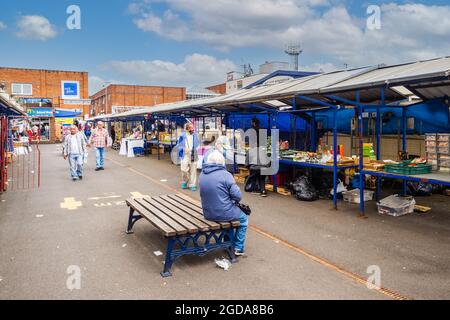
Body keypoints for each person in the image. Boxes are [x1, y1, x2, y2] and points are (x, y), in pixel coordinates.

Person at [199, 150, 248, 256]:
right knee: (244, 219)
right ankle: (238, 247)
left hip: (208, 213)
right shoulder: (226, 175)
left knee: (228, 213)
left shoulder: (202, 174)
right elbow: (238, 196)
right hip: (224, 213)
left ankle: (228, 242)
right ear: (222, 162)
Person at [177, 122, 200, 191]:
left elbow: (198, 144)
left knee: (193, 170)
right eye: (191, 127)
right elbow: (179, 145)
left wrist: (195, 149)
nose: (193, 129)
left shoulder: (195, 135)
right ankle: (185, 180)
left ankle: (192, 184)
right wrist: (184, 149)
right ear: (187, 129)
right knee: (184, 169)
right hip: (185, 154)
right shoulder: (182, 136)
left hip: (193, 154)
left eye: (193, 127)